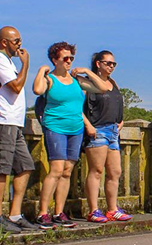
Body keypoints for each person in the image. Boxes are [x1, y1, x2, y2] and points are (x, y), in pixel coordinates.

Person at [34, 41, 112, 229]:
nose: (69, 61)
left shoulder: (77, 81)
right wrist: (42, 70)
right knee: (56, 169)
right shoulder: (50, 79)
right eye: (65, 58)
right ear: (55, 59)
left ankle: (59, 212)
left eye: (71, 58)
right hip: (55, 127)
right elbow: (37, 90)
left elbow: (103, 88)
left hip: (75, 128)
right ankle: (43, 213)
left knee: (67, 171)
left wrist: (88, 71)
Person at [0, 26, 39, 234]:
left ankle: (14, 214)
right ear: (4, 42)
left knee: (25, 166)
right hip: (3, 119)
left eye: (20, 40)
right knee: (2, 168)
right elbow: (15, 86)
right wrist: (25, 64)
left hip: (15, 122)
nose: (19, 45)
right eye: (16, 41)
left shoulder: (7, 61)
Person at [82, 50, 132, 223]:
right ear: (98, 64)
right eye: (108, 63)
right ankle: (93, 210)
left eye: (113, 64)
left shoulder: (112, 82)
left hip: (113, 131)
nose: (111, 66)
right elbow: (77, 106)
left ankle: (112, 209)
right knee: (97, 170)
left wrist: (121, 121)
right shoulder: (87, 83)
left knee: (115, 172)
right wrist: (88, 125)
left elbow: (116, 103)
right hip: (98, 129)